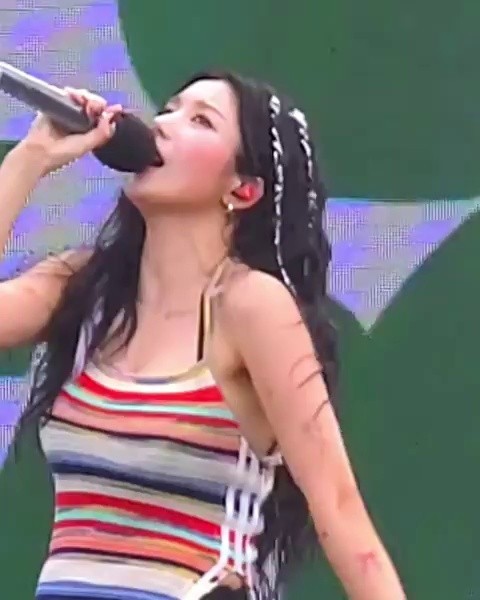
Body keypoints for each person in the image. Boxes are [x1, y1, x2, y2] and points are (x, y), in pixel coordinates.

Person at [0, 71, 406, 600]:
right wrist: (30, 158)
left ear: (243, 189)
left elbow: (338, 506)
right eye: (168, 109)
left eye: (200, 121)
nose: (163, 124)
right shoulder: (83, 288)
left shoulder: (251, 306)